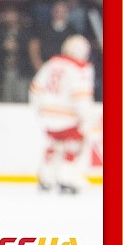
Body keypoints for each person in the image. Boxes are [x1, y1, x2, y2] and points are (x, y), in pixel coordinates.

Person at [29, 34, 96, 193]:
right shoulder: (80, 69)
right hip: (68, 117)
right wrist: (87, 119)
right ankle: (66, 178)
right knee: (74, 146)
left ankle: (45, 177)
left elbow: (35, 88)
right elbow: (80, 97)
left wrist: (39, 109)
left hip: (47, 116)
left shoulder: (51, 64)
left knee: (53, 145)